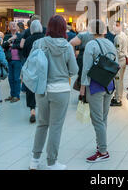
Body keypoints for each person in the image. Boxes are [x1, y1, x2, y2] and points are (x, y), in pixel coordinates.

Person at [29, 15, 78, 170]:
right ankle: (52, 162)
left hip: (42, 89)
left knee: (42, 124)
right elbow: (74, 70)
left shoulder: (38, 43)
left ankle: (34, 160)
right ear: (64, 28)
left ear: (48, 27)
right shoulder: (67, 46)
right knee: (55, 126)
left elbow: (31, 64)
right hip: (61, 90)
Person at [80, 20, 117, 163]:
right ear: (104, 30)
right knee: (103, 118)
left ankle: (103, 151)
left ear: (91, 31)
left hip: (95, 86)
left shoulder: (91, 45)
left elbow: (86, 69)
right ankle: (100, 144)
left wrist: (82, 88)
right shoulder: (110, 44)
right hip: (109, 85)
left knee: (97, 119)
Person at [22, 20, 46, 123]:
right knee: (43, 87)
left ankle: (32, 111)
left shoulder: (28, 40)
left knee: (30, 88)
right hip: (43, 67)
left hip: (31, 67)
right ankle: (44, 111)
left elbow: (24, 54)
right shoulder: (45, 39)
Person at [69, 23, 94, 92]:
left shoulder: (83, 35)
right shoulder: (99, 36)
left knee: (82, 74)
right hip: (95, 57)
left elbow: (71, 43)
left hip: (83, 56)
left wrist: (74, 54)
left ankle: (82, 94)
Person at [2, 21, 23, 103]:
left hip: (18, 60)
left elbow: (22, 46)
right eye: (12, 24)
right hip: (9, 60)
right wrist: (10, 40)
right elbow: (3, 46)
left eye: (15, 24)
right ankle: (12, 94)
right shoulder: (7, 36)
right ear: (9, 27)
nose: (14, 25)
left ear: (17, 27)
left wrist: (13, 45)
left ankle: (16, 96)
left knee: (16, 78)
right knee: (10, 78)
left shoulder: (21, 36)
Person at [111, 21, 128, 107]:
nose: (113, 28)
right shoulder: (124, 35)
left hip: (119, 61)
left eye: (115, 26)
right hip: (123, 60)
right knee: (120, 80)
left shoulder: (118, 37)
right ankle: (118, 96)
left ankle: (118, 99)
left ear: (119, 27)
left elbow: (117, 52)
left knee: (117, 80)